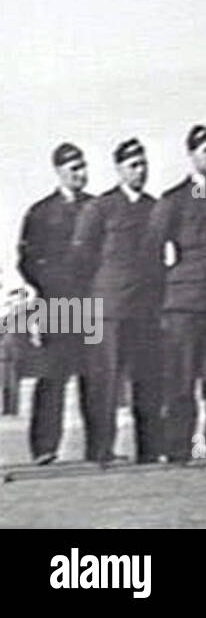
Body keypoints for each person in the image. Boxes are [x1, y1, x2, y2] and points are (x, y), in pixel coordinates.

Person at [143, 124, 206, 464]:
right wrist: (171, 286)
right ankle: (179, 446)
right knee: (182, 378)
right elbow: (152, 250)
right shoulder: (175, 199)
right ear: (192, 154)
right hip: (184, 303)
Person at [72, 138, 163, 465]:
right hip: (106, 308)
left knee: (148, 381)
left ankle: (150, 450)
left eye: (143, 165)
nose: (140, 171)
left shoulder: (155, 207)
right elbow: (82, 257)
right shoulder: (101, 208)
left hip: (145, 308)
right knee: (104, 383)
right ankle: (100, 451)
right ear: (120, 169)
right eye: (133, 165)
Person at [18, 143, 94, 464]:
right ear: (59, 171)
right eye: (73, 168)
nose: (80, 173)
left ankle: (98, 446)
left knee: (95, 376)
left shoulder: (96, 207)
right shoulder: (41, 212)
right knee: (53, 377)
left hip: (92, 302)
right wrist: (49, 287)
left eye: (82, 166)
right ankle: (45, 447)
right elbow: (26, 260)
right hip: (57, 303)